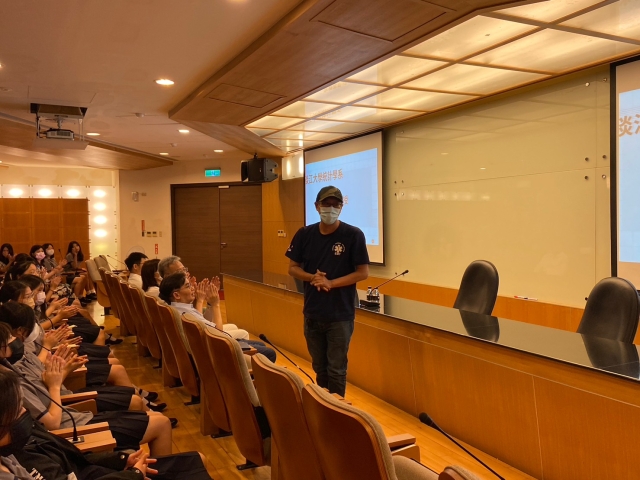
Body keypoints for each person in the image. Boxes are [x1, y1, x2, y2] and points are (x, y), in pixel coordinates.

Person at [0, 368, 212, 480]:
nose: (26, 412)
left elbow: (77, 459)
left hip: (100, 470)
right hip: (93, 447)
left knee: (197, 461)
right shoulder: (17, 462)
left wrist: (121, 460)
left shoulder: (21, 441)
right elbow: (54, 424)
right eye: (17, 410)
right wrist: (133, 475)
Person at [285, 185, 369, 397]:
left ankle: (337, 410)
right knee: (319, 368)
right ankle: (322, 406)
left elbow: (362, 273)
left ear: (341, 208)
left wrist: (331, 283)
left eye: (335, 205)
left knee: (336, 369)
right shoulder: (305, 234)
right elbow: (292, 268)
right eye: (326, 204)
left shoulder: (353, 235)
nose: (330, 209)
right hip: (313, 312)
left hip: (340, 315)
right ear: (317, 206)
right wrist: (312, 277)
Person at [158, 272, 276, 361]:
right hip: (218, 352)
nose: (193, 288)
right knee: (270, 353)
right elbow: (219, 335)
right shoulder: (186, 315)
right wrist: (215, 304)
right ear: (176, 295)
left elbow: (204, 322)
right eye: (188, 286)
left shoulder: (180, 309)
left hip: (210, 348)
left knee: (261, 345)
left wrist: (208, 302)